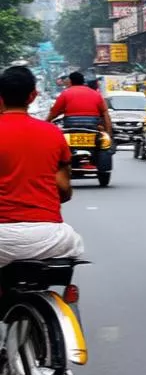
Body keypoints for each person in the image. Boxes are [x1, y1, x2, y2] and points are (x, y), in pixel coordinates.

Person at [0, 66, 84, 265]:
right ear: (33, 96)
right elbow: (64, 190)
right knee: (74, 242)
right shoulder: (53, 133)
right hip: (48, 237)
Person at [47, 70, 112, 134]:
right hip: (92, 124)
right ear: (83, 81)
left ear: (70, 81)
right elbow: (105, 113)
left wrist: (46, 122)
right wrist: (108, 132)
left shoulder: (65, 93)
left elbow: (54, 112)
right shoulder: (96, 94)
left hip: (71, 124)